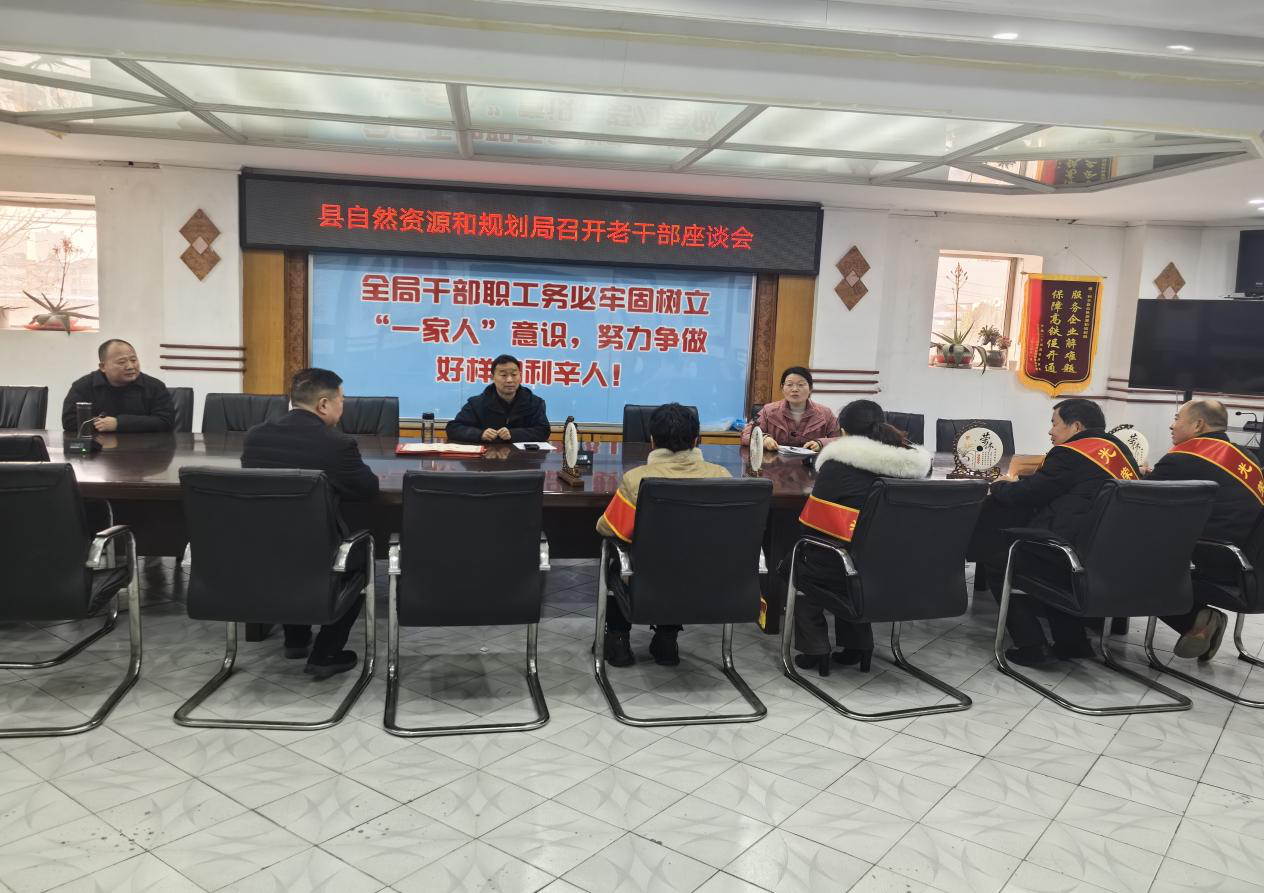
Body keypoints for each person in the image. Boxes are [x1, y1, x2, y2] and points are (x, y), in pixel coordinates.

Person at [975, 398, 1140, 667]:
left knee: (999, 558)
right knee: (1050, 561)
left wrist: (1000, 485)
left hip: (1070, 552)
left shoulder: (1071, 453)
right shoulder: (1120, 451)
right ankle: (1072, 642)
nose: (1051, 431)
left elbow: (1031, 493)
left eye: (1055, 423)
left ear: (1076, 426)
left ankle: (1032, 645)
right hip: (1110, 553)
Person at [241, 367, 380, 679]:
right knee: (359, 559)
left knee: (288, 548)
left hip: (263, 546)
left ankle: (296, 638)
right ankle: (326, 653)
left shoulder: (255, 436)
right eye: (341, 401)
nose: (343, 407)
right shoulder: (336, 444)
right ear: (323, 405)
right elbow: (367, 489)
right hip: (318, 550)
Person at [787, 399, 932, 675]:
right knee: (857, 558)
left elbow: (814, 524)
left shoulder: (837, 466)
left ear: (842, 431)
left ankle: (814, 649)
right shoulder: (914, 466)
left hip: (843, 567)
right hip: (898, 565)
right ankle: (858, 646)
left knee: (801, 562)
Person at [596, 402, 730, 666]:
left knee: (618, 561)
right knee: (685, 555)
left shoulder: (637, 478)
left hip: (648, 576)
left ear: (652, 440)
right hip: (708, 576)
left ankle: (618, 641)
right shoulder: (721, 476)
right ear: (696, 439)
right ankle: (667, 640)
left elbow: (607, 528)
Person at [1150, 399, 1263, 660]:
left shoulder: (1185, 457)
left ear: (1198, 425)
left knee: (1129, 557)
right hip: (1250, 565)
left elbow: (1138, 500)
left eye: (1177, 418)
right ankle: (1200, 623)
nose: (1172, 425)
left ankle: (1195, 619)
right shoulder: (1248, 457)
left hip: (1213, 560)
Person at [61, 338, 174, 433]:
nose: (130, 366)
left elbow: (166, 422)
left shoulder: (155, 386)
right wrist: (102, 424)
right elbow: (69, 422)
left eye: (133, 360)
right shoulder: (83, 386)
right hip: (98, 449)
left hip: (145, 449)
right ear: (103, 367)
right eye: (122, 362)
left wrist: (119, 423)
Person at [446, 354, 550, 444]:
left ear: (520, 376)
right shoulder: (476, 404)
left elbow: (543, 431)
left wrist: (513, 434)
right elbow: (453, 428)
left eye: (514, 374)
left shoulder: (534, 402)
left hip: (524, 458)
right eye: (503, 375)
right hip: (487, 458)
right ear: (492, 377)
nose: (509, 380)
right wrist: (480, 434)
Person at [742, 366, 841, 452]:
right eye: (789, 385)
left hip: (810, 464)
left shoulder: (825, 413)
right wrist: (763, 439)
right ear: (782, 388)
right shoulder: (768, 411)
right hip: (774, 465)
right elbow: (746, 434)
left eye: (801, 385)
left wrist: (821, 443)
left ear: (810, 388)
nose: (795, 389)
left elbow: (841, 440)